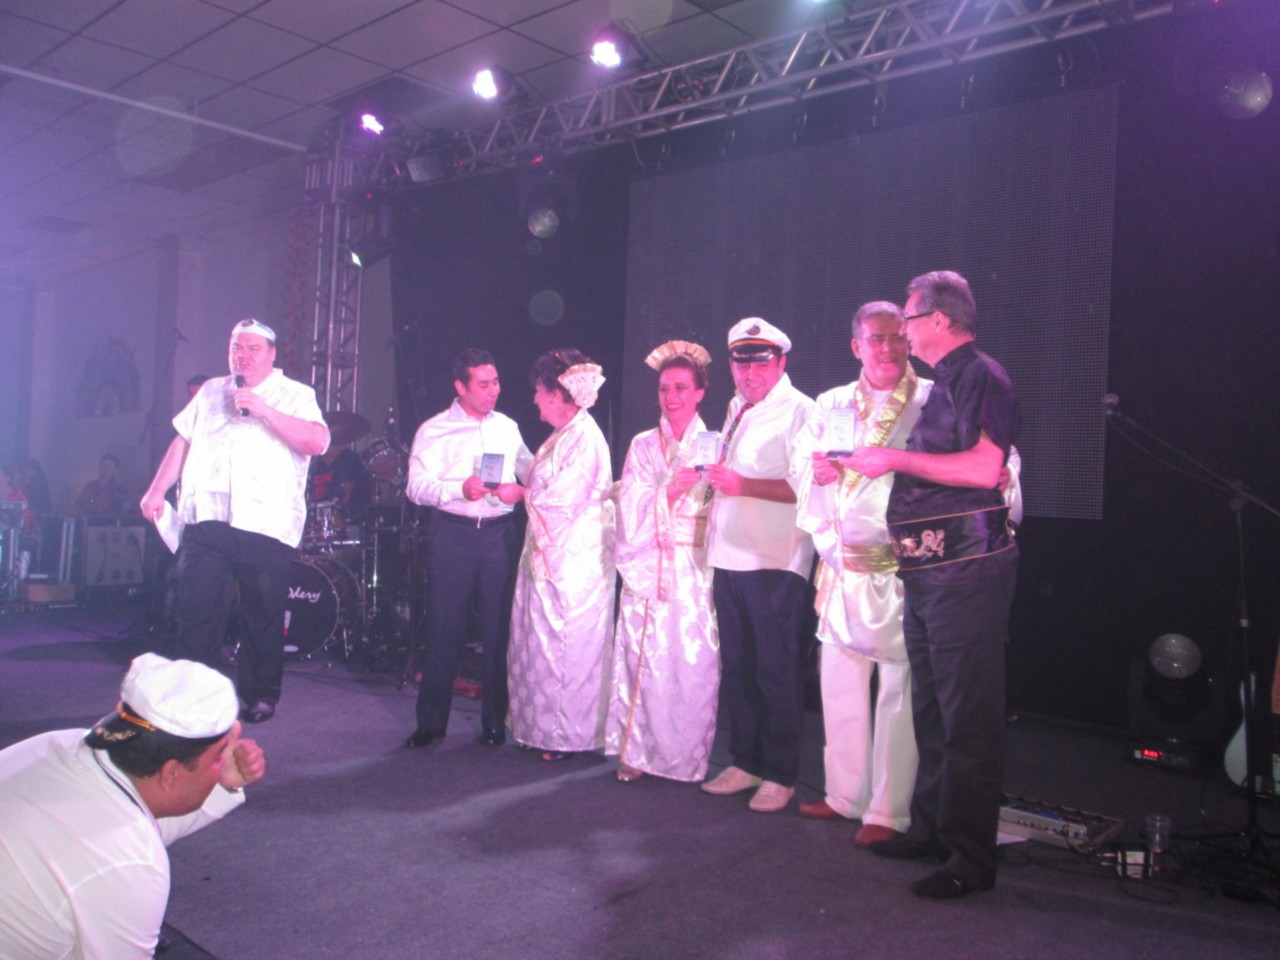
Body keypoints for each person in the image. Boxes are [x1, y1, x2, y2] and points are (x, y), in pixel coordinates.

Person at [848, 270, 1019, 900]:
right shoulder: (947, 381)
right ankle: (931, 829)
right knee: (933, 709)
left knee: (968, 715)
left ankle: (971, 858)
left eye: (910, 321)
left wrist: (891, 459)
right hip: (931, 572)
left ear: (939, 321)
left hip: (967, 569)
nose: (904, 333)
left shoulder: (982, 375)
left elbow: (983, 467)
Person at [0, 652, 266, 959]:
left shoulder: (61, 744)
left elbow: (129, 824)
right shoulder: (131, 864)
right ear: (171, 773)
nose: (223, 763)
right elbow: (122, 852)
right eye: (218, 756)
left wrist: (223, 783)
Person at [139, 318, 329, 724]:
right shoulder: (212, 390)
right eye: (236, 348)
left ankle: (260, 696)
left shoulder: (296, 394)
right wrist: (156, 490)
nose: (242, 355)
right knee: (197, 612)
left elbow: (317, 441)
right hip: (206, 519)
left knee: (262, 613)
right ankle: (193, 696)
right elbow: (182, 441)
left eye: (252, 348)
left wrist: (263, 410)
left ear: (272, 354)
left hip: (265, 521)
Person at [794, 301, 930, 844]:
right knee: (839, 682)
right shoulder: (830, 403)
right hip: (841, 565)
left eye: (898, 337)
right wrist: (818, 474)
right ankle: (844, 794)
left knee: (899, 689)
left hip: (900, 570)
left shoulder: (931, 399)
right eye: (877, 338)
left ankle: (888, 811)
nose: (888, 348)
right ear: (856, 346)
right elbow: (803, 467)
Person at [700, 318, 816, 813]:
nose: (749, 373)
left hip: (774, 559)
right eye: (740, 363)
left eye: (760, 363)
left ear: (781, 362)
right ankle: (745, 761)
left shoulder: (802, 410)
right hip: (728, 554)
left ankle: (781, 774)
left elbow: (805, 486)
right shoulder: (737, 407)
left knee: (776, 670)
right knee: (739, 668)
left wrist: (742, 484)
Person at [403, 349, 531, 748]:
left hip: (499, 536)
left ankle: (495, 723)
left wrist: (535, 483)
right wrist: (458, 489)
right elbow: (415, 487)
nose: (494, 390)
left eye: (496, 382)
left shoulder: (507, 427)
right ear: (461, 387)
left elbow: (529, 468)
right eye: (484, 384)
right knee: (444, 628)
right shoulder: (434, 429)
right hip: (453, 535)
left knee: (498, 631)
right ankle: (431, 724)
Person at [606, 340, 720, 783]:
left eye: (681, 388)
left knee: (689, 662)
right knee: (643, 657)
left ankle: (684, 757)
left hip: (694, 566)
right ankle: (636, 752)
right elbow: (628, 500)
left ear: (699, 393)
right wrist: (668, 491)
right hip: (648, 561)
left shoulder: (714, 443)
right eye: (664, 388)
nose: (671, 397)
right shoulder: (642, 444)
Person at [507, 349, 615, 761]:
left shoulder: (584, 437)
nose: (535, 399)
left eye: (539, 391)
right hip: (553, 554)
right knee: (545, 646)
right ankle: (541, 730)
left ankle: (566, 736)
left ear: (557, 394)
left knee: (567, 647)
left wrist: (521, 495)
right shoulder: (564, 435)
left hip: (574, 561)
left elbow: (563, 500)